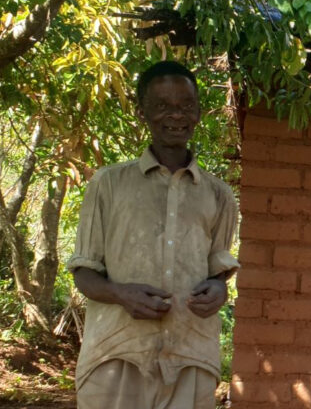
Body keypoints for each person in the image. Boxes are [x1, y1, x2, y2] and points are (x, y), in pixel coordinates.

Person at [67, 60, 240, 409]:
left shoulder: (218, 194)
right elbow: (84, 272)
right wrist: (120, 293)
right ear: (142, 111)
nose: (175, 116)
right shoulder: (109, 184)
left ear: (198, 113)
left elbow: (217, 271)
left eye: (185, 106)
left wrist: (219, 287)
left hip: (190, 356)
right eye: (162, 106)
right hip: (117, 354)